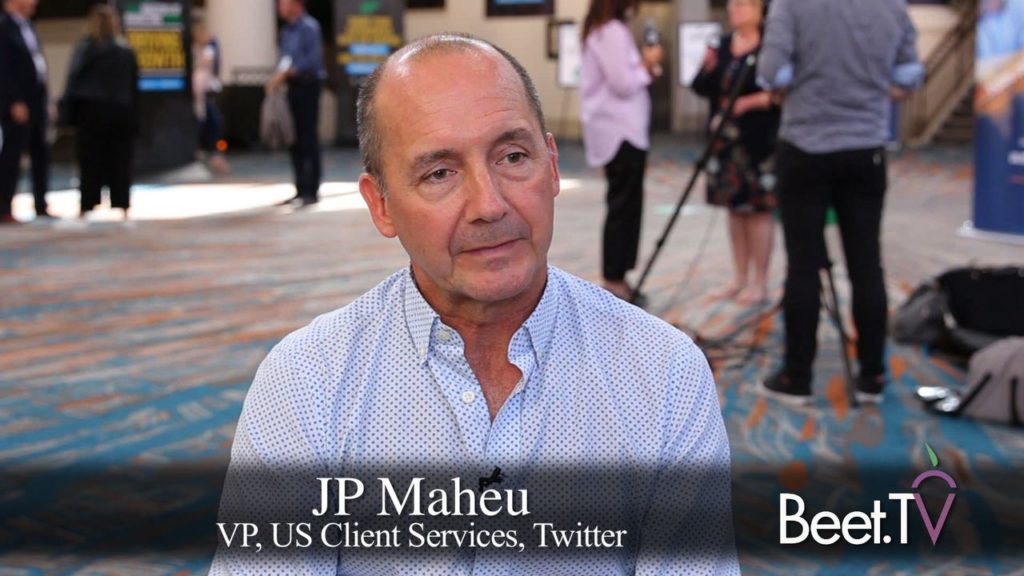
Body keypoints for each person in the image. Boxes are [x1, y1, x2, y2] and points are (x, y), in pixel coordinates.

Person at [210, 34, 738, 574]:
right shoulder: (309, 382)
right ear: (381, 205)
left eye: (513, 157)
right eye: (439, 173)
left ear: (553, 166)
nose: (489, 204)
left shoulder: (662, 373)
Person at [756, 0, 922, 404]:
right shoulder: (892, 6)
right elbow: (908, 76)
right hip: (866, 148)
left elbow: (771, 73)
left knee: (803, 266)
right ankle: (872, 376)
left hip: (804, 148)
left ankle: (797, 377)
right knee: (867, 265)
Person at [691, 0, 779, 305]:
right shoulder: (723, 45)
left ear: (758, 8)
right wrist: (707, 68)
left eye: (741, 4)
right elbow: (701, 87)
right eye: (732, 5)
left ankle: (760, 281)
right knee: (734, 209)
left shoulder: (771, 45)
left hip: (758, 143)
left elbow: (781, 92)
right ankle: (740, 277)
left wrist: (748, 104)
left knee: (758, 210)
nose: (734, 10)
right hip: (725, 144)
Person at [579, 0, 664, 301]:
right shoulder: (611, 31)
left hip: (622, 132)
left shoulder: (605, 30)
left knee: (626, 206)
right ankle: (614, 279)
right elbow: (623, 84)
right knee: (623, 207)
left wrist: (644, 67)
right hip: (621, 133)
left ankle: (619, 276)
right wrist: (647, 64)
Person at [61, 4, 139, 222]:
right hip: (120, 112)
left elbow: (73, 81)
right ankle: (122, 203)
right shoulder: (125, 52)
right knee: (120, 161)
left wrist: (68, 114)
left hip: (91, 112)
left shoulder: (85, 50)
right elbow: (133, 87)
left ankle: (87, 203)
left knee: (90, 161)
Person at [266, 0, 325, 208]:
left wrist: (289, 72)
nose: (280, 7)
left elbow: (312, 60)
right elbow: (284, 59)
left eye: (284, 3)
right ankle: (300, 188)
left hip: (308, 86)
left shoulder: (310, 27)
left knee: (308, 137)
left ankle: (312, 190)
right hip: (290, 88)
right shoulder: (286, 31)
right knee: (293, 138)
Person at [0, 0, 51, 224]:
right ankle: (4, 207)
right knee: (12, 155)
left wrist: (46, 100)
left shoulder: (29, 25)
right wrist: (14, 100)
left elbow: (37, 63)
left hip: (37, 100)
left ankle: (41, 205)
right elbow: (3, 68)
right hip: (17, 102)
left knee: (41, 152)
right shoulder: (3, 26)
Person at [192, 17, 230, 175]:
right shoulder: (197, 48)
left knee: (214, 122)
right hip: (199, 90)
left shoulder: (210, 46)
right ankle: (206, 152)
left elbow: (210, 64)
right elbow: (204, 64)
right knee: (207, 121)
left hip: (207, 90)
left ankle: (213, 153)